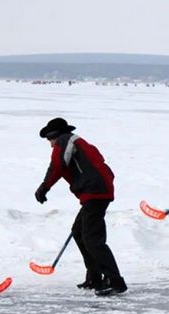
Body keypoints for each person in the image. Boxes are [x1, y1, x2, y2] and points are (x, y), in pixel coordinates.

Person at [34, 117, 127, 296]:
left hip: (95, 192)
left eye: (49, 139)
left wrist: (44, 187)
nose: (50, 144)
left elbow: (57, 166)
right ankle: (94, 277)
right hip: (95, 192)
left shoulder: (64, 141)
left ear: (54, 135)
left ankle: (115, 281)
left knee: (92, 238)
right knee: (79, 231)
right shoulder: (77, 142)